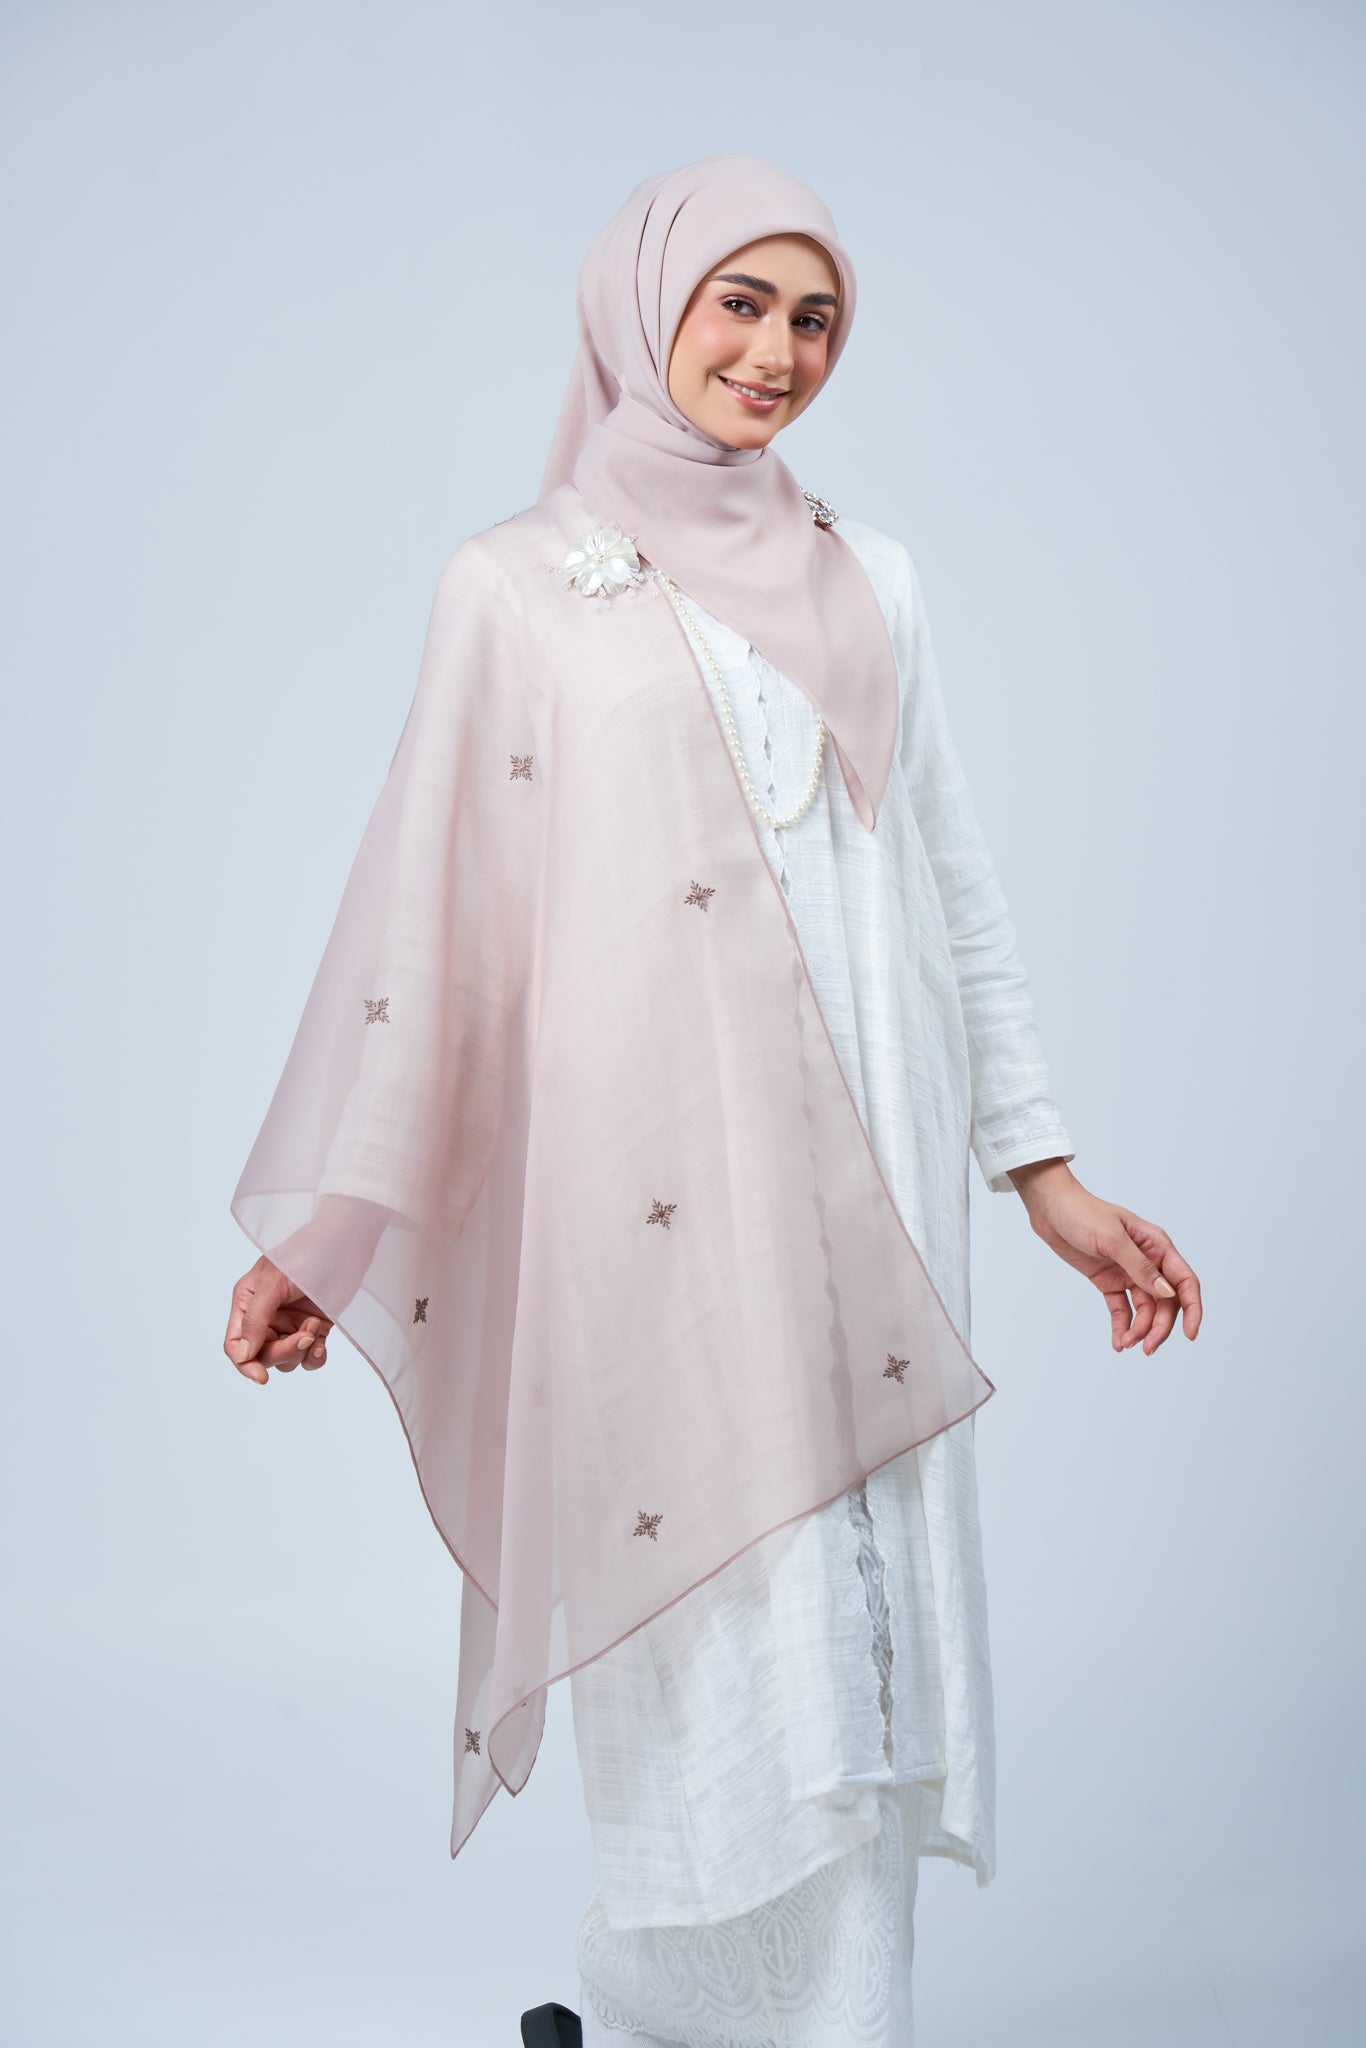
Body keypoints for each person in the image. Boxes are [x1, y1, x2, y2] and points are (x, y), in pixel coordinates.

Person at [223, 155, 1202, 2048]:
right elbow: (442, 937)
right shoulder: (514, 586)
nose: (776, 352)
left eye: (814, 318)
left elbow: (949, 880)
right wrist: (336, 1237)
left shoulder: (870, 574)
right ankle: (667, 1994)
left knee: (872, 1613)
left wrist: (1044, 1174)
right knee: (720, 1596)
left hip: (882, 1160)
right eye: (738, 303)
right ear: (642, 308)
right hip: (657, 1182)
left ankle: (830, 2022)